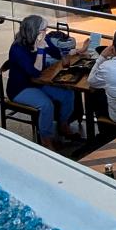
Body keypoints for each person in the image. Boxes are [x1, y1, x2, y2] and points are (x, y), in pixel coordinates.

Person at [6, 14, 77, 148]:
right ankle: (46, 139)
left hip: (38, 83)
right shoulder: (17, 49)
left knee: (68, 94)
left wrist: (74, 50)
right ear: (35, 32)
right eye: (44, 29)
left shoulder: (43, 39)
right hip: (20, 88)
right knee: (46, 105)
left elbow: (57, 53)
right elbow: (35, 72)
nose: (46, 32)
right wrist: (40, 50)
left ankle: (63, 124)